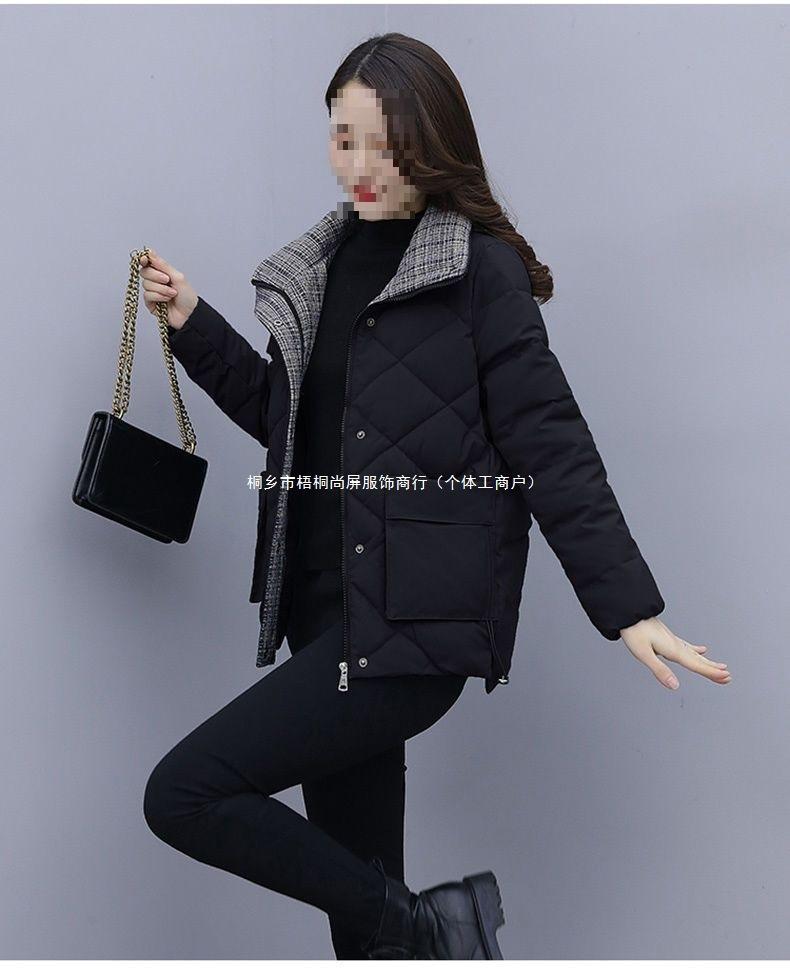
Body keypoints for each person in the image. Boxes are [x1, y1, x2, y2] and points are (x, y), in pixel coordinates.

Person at [138, 32, 730, 961]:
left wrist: (629, 608)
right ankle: (417, 932)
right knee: (361, 928)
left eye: (386, 144)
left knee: (184, 792)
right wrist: (192, 324)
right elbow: (290, 428)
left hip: (410, 627)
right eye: (344, 138)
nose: (361, 165)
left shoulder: (478, 270)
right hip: (323, 615)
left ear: (432, 143)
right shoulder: (322, 267)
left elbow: (549, 443)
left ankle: (436, 926)